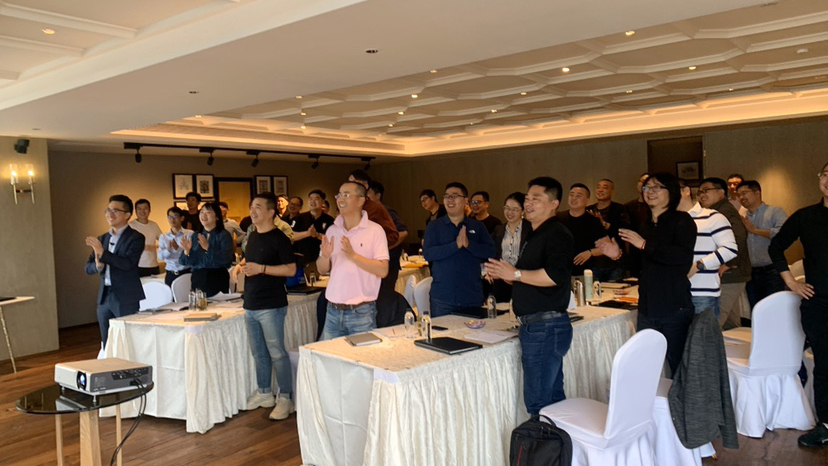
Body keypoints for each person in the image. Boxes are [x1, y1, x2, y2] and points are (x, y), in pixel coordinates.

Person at [485, 177, 574, 415]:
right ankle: (557, 438)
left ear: (554, 203)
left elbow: (555, 276)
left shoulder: (557, 233)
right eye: (527, 198)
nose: (529, 203)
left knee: (539, 402)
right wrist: (505, 274)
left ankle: (544, 438)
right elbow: (526, 277)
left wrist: (515, 273)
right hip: (537, 325)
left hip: (545, 326)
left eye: (536, 198)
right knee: (551, 398)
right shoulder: (534, 234)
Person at [599, 173, 696, 376]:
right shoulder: (644, 226)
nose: (650, 191)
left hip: (674, 306)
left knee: (678, 366)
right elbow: (637, 267)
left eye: (656, 187)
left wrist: (644, 244)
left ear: (671, 192)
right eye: (646, 187)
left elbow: (681, 258)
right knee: (647, 366)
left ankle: (680, 398)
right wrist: (617, 255)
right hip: (647, 308)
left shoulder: (682, 220)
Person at [768, 162, 828, 447]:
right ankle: (825, 424)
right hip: (819, 304)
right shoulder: (806, 216)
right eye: (826, 174)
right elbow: (775, 246)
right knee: (825, 365)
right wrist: (791, 282)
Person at [233, 192, 297, 421]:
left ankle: (285, 397)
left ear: (271, 212)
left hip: (271, 304)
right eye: (252, 206)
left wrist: (261, 269)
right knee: (258, 352)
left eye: (258, 207)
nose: (253, 211)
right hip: (251, 303)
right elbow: (251, 259)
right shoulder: (252, 235)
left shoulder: (280, 238)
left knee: (277, 353)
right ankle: (264, 393)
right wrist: (240, 265)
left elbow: (290, 269)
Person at [317, 182, 389, 339]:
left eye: (347, 195)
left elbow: (383, 270)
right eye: (339, 195)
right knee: (330, 354)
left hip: (361, 312)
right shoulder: (332, 230)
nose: (341, 199)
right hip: (333, 310)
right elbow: (321, 269)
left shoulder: (375, 230)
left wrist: (353, 256)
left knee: (362, 354)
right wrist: (325, 256)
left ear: (361, 200)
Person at [423, 182, 496, 316]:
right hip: (443, 297)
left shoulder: (477, 226)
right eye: (447, 196)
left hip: (471, 296)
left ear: (465, 201)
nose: (450, 200)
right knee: (441, 330)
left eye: (455, 196)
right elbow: (428, 254)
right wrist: (455, 245)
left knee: (473, 330)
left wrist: (469, 245)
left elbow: (491, 251)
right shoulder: (434, 226)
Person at [84, 194, 145, 345]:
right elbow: (88, 267)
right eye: (107, 210)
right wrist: (98, 265)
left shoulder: (136, 237)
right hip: (104, 295)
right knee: (107, 341)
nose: (109, 214)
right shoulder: (102, 238)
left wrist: (103, 253)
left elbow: (128, 264)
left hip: (125, 296)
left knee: (127, 341)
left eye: (115, 211)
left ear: (127, 215)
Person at [677, 179, 737, 316]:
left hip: (702, 293)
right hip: (673, 292)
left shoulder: (712, 217)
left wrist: (699, 265)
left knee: (704, 330)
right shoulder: (668, 220)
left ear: (686, 191)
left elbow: (730, 249)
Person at [699, 177, 751, 329]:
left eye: (706, 190)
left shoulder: (724, 211)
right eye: (700, 192)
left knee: (714, 320)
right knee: (731, 323)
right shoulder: (715, 211)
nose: (702, 195)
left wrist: (729, 263)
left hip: (730, 274)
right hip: (729, 273)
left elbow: (740, 236)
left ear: (721, 192)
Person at [737, 180, 788, 309]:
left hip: (772, 270)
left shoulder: (775, 211)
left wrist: (755, 230)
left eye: (744, 193)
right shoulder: (742, 217)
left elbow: (784, 234)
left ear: (757, 192)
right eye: (739, 195)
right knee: (756, 310)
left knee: (774, 309)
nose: (741, 197)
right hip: (751, 273)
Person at [180, 202, 235, 297]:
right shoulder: (195, 235)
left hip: (217, 277)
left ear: (217, 217)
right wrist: (187, 251)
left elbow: (226, 260)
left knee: (219, 305)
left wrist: (208, 248)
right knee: (199, 304)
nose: (203, 215)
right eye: (202, 212)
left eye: (208, 212)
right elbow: (184, 262)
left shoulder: (224, 235)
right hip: (198, 277)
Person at [557, 183, 608, 280]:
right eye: (571, 195)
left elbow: (606, 246)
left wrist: (590, 252)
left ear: (587, 200)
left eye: (578, 196)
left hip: (583, 273)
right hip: (560, 271)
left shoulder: (593, 221)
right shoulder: (558, 218)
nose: (573, 198)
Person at [368, 181, 409, 294]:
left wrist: (384, 248)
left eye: (368, 193)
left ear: (378, 195)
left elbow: (403, 232)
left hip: (388, 263)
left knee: (384, 295)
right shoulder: (364, 213)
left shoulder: (386, 211)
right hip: (372, 265)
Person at [587, 178, 629, 281]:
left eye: (605, 187)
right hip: (594, 262)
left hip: (615, 262)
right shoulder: (588, 210)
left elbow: (626, 230)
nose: (600, 190)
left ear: (612, 191)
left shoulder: (619, 209)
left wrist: (605, 225)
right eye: (598, 187)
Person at [491, 192, 531, 302]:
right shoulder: (499, 229)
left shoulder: (530, 229)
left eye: (515, 209)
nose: (510, 212)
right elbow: (492, 252)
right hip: (501, 281)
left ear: (523, 211)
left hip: (522, 280)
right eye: (507, 208)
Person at [348, 169, 399, 247]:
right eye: (349, 182)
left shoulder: (375, 208)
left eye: (355, 182)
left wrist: (372, 243)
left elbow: (393, 235)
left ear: (366, 186)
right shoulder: (346, 208)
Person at [291, 189, 335, 267]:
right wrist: (307, 233)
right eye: (311, 199)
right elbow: (291, 235)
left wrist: (317, 235)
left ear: (322, 201)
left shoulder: (330, 220)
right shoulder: (299, 218)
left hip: (321, 259)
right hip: (301, 260)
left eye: (316, 199)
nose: (313, 201)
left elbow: (333, 239)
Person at [157, 206, 193, 286]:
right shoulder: (164, 236)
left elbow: (193, 254)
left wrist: (178, 248)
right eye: (170, 217)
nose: (172, 220)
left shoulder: (189, 234)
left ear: (182, 218)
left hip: (186, 272)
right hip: (171, 273)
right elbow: (160, 256)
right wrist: (168, 250)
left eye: (175, 216)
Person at [624, 172, 651, 278]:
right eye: (641, 181)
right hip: (634, 251)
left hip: (650, 247)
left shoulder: (656, 206)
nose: (643, 184)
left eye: (647, 182)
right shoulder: (629, 206)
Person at [128, 198, 163, 277]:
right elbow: (126, 245)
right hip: (137, 265)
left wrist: (158, 246)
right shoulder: (130, 226)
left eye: (145, 208)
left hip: (153, 265)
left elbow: (163, 240)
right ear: (135, 211)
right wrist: (142, 246)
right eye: (139, 209)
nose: (142, 211)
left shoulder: (154, 225)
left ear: (149, 210)